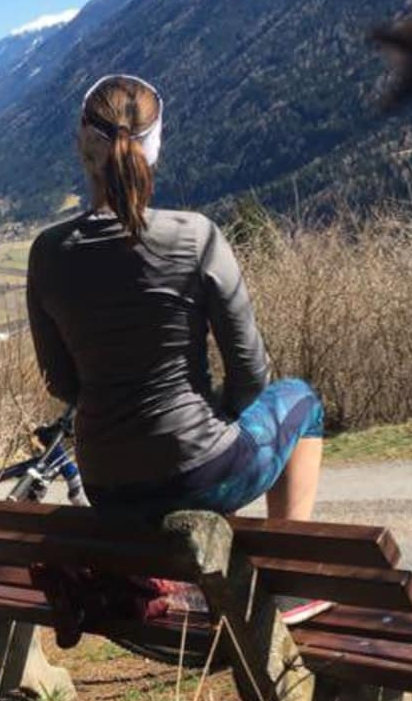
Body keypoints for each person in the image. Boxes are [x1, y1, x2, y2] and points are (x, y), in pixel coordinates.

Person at [26, 74, 324, 523]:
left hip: (106, 485)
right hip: (200, 474)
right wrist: (218, 414)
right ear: (155, 148)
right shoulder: (196, 237)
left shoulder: (47, 252)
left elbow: (62, 383)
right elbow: (251, 373)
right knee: (303, 400)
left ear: (80, 145)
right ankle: (288, 556)